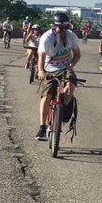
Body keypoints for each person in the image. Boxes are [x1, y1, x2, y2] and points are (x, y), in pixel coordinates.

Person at [36, 12, 81, 140]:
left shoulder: (71, 36)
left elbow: (77, 54)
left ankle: (64, 106)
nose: (62, 30)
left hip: (66, 67)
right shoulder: (47, 37)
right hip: (50, 69)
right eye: (59, 27)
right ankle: (42, 127)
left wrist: (72, 63)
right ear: (53, 26)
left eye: (65, 27)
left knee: (71, 84)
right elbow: (41, 57)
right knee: (46, 95)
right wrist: (41, 71)